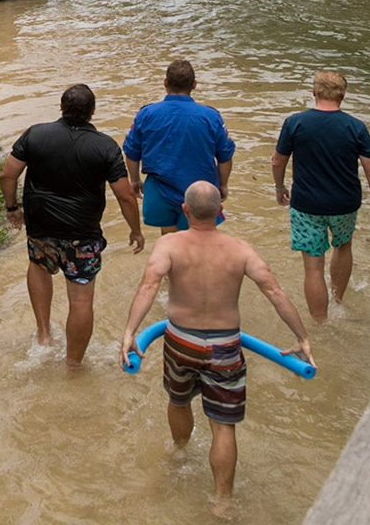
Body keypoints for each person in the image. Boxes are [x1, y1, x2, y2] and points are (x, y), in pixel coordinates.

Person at [120, 182, 313, 508]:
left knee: (178, 402)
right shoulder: (240, 249)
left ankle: (180, 454)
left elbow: (149, 284)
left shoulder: (169, 244)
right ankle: (222, 500)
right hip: (226, 347)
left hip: (181, 341)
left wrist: (130, 332)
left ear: (185, 210)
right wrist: (302, 337)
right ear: (219, 210)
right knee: (224, 428)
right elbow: (274, 292)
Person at [1, 83, 144, 364]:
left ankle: (43, 336)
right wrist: (135, 230)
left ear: (61, 108)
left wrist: (12, 208)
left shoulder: (35, 134)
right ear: (92, 112)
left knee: (39, 268)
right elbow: (126, 195)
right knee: (80, 300)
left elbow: (8, 175)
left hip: (41, 228)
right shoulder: (105, 146)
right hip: (83, 235)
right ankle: (73, 364)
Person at [271, 69, 370, 322]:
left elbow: (278, 161)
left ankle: (320, 322)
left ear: (314, 93)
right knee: (343, 246)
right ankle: (337, 301)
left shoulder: (295, 123)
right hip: (344, 204)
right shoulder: (355, 127)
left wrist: (279, 188)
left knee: (313, 265)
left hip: (306, 204)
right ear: (344, 95)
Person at [122, 60, 235, 235]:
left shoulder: (146, 114)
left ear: (165, 82)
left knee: (168, 239)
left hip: (160, 190)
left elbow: (132, 151)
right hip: (200, 193)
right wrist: (223, 184)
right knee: (199, 240)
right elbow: (225, 156)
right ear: (194, 85)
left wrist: (135, 179)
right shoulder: (210, 117)